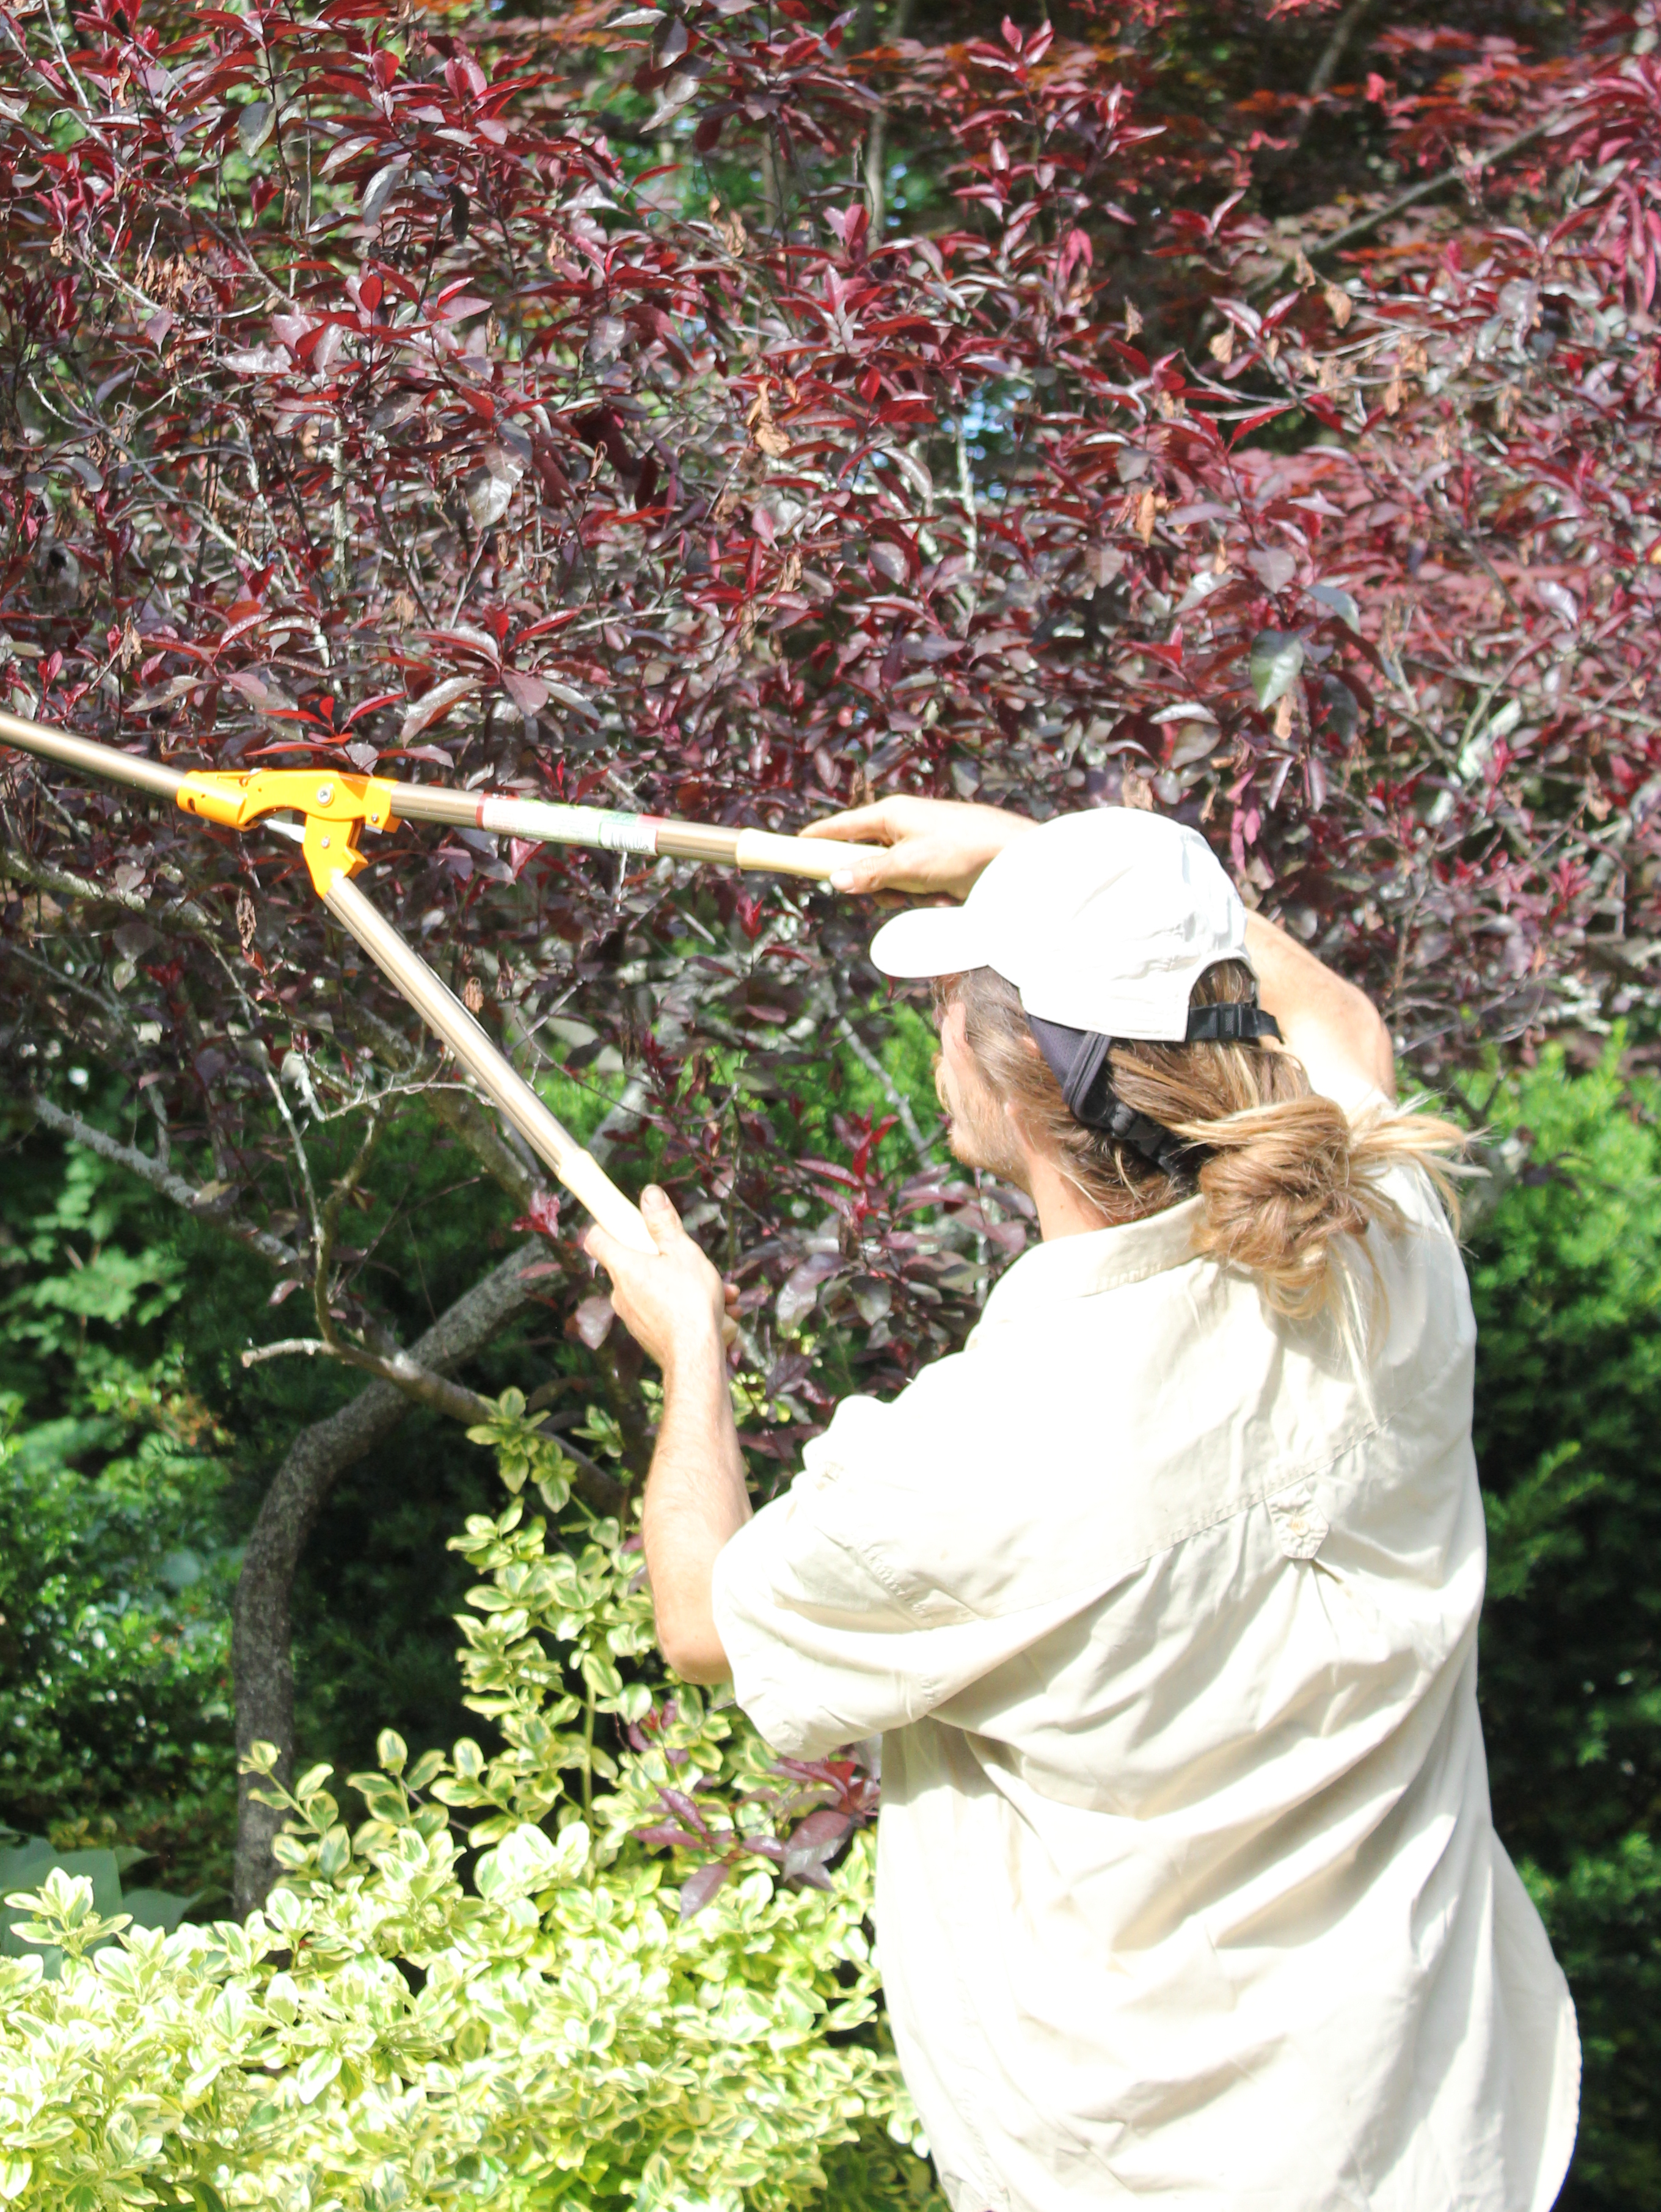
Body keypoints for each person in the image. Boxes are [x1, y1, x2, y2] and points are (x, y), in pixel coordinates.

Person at [583, 799, 1579, 2212]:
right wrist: (1052, 860)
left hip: (1149, 2170)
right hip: (1437, 2117)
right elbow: (1341, 1021)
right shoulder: (1388, 1245)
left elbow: (700, 1616)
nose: (935, 1034)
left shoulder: (980, 1456)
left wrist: (692, 1350)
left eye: (948, 1006)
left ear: (1011, 1078)